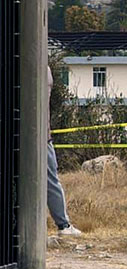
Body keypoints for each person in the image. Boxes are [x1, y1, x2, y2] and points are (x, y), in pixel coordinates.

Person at [47, 66, 81, 237]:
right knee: (51, 182)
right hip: (41, 136)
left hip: (34, 135)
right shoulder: (42, 71)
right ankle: (63, 224)